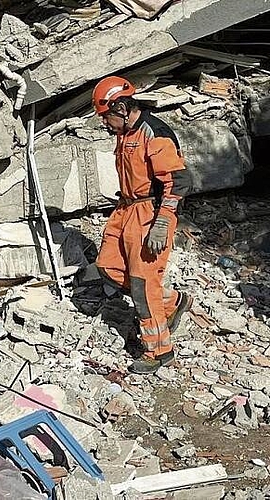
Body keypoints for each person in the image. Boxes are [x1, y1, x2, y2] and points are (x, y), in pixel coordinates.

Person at [92, 76, 193, 374]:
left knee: (141, 283)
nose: (106, 124)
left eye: (106, 117)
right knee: (108, 266)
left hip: (150, 213)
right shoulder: (124, 132)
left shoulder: (155, 134)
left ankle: (159, 351)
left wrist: (162, 223)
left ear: (121, 108)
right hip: (126, 208)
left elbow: (178, 181)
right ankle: (172, 301)